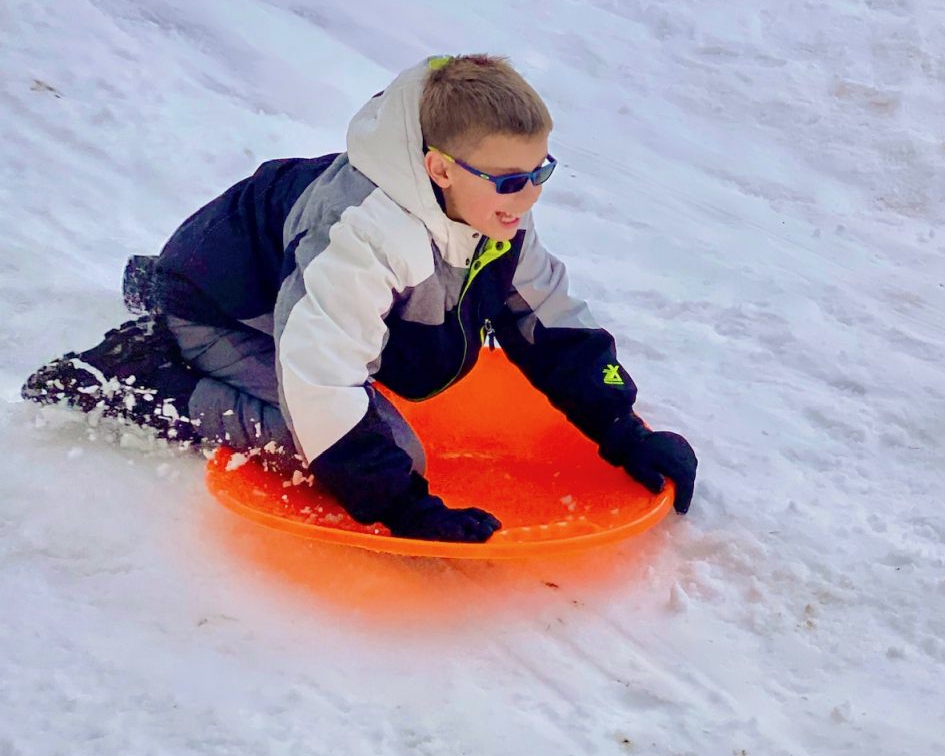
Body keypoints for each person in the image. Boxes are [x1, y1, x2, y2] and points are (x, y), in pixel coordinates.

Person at [22, 55, 697, 542]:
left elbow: (544, 318)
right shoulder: (362, 232)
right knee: (389, 453)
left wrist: (623, 430)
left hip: (271, 276)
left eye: (541, 172)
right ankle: (147, 372)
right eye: (513, 179)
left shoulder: (490, 206)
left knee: (429, 337)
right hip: (224, 307)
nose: (531, 197)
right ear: (438, 168)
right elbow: (319, 378)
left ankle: (159, 299)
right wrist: (400, 505)